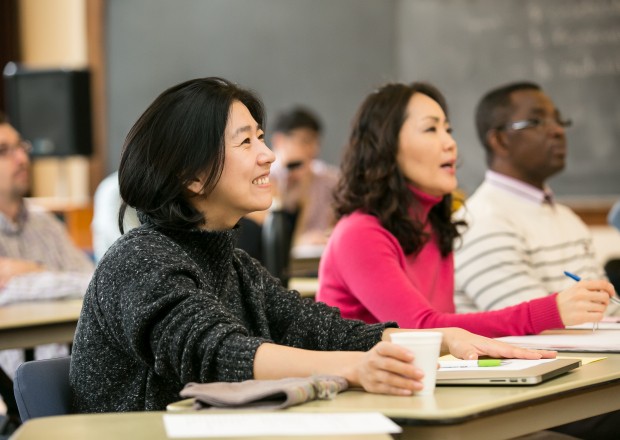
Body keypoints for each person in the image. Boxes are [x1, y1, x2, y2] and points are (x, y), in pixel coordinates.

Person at [69, 77, 553, 413]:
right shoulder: (139, 258)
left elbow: (322, 329)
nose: (269, 155)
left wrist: (439, 340)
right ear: (190, 175)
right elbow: (222, 354)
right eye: (245, 143)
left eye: (262, 136)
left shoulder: (232, 263)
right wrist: (360, 368)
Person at [316, 81, 616, 338]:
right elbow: (423, 330)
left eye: (448, 129)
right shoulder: (359, 233)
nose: (450, 143)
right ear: (386, 145)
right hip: (361, 397)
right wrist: (551, 311)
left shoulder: (435, 225)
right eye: (431, 129)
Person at [453, 82, 620, 317]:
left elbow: (609, 311)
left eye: (558, 120)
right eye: (537, 122)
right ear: (500, 141)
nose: (558, 131)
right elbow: (532, 326)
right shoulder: (482, 221)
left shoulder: (567, 218)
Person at [0, 113, 94, 428]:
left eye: (21, 146)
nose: (22, 158)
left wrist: (30, 271)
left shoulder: (46, 223)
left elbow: (93, 281)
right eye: (4, 150)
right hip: (21, 379)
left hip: (75, 363)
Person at [269, 106, 339, 246]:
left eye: (316, 142)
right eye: (305, 141)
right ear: (279, 141)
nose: (313, 149)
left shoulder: (328, 180)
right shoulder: (264, 178)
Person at [91, 171, 139, 262]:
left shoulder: (112, 183)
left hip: (109, 256)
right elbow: (116, 233)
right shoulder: (118, 187)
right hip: (117, 258)